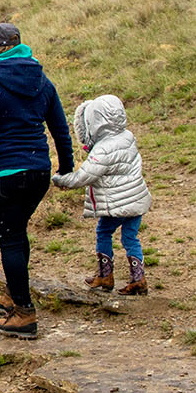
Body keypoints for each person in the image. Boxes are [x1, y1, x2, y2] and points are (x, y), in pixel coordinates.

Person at [0, 22, 73, 339]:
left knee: (11, 238)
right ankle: (14, 294)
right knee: (18, 232)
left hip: (5, 174)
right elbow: (60, 129)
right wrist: (64, 167)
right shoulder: (42, 79)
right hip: (38, 171)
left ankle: (24, 313)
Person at [51, 95, 153, 296]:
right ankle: (139, 279)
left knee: (103, 232)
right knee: (130, 238)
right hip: (137, 199)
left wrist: (60, 180)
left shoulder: (103, 149)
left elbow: (83, 176)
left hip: (119, 203)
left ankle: (105, 275)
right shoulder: (127, 137)